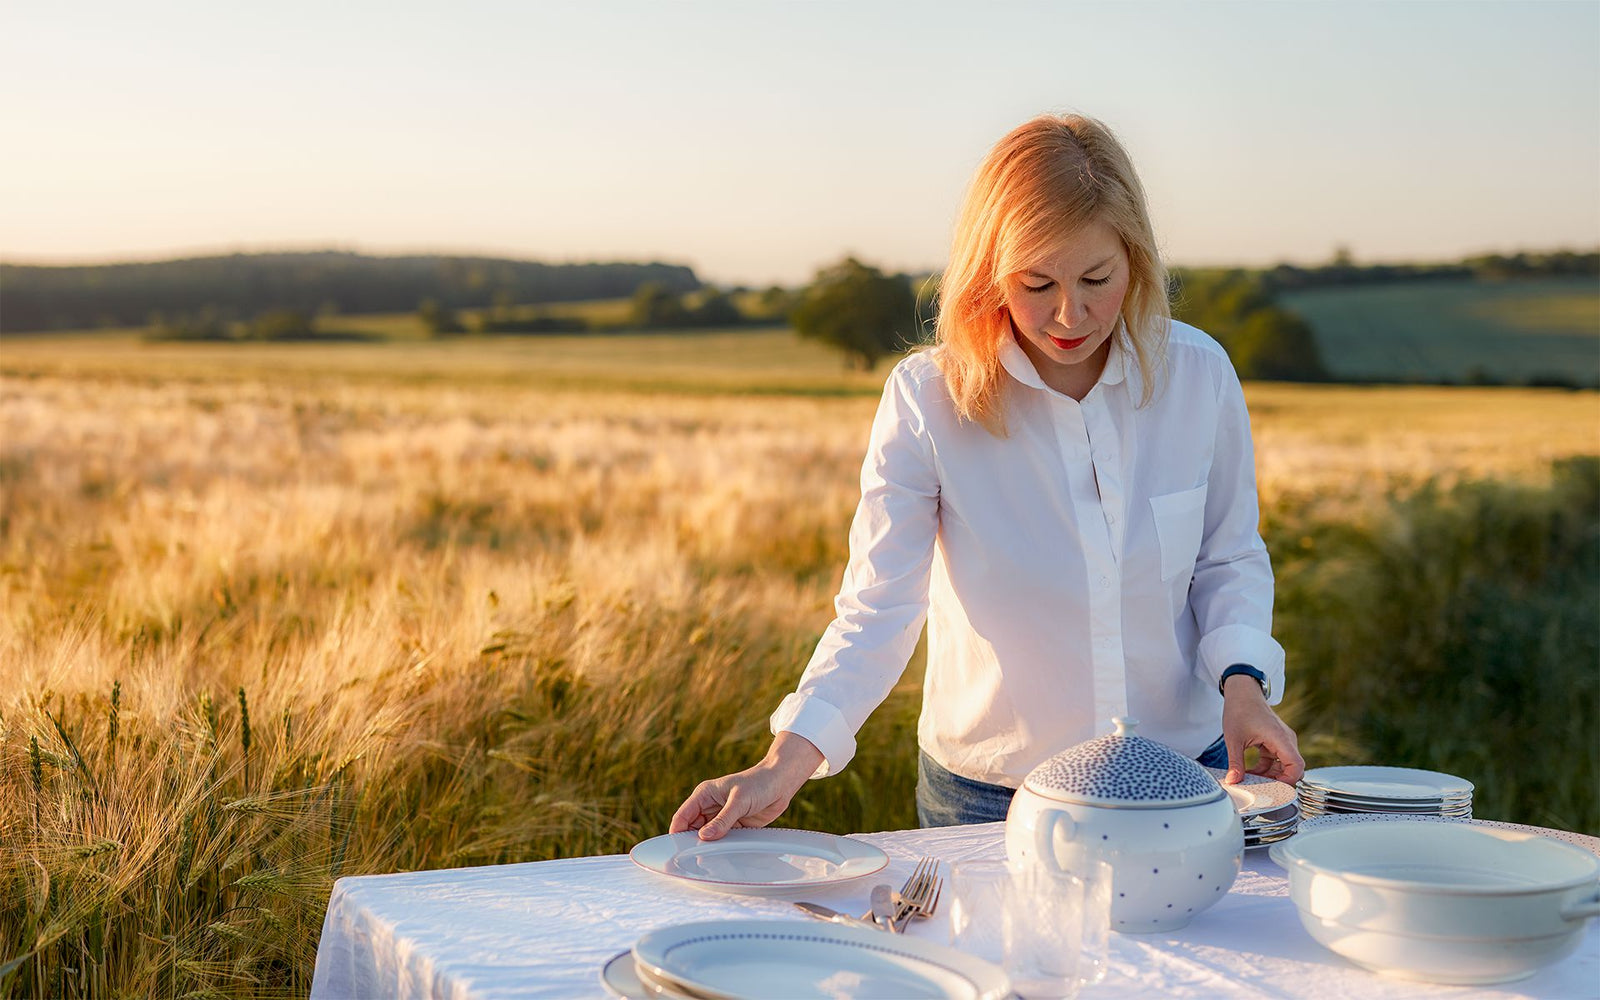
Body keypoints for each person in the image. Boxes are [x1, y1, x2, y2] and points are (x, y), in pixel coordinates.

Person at [671, 113, 1304, 841]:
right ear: (989, 272)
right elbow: (879, 607)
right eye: (1036, 283)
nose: (1071, 313)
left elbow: (1227, 558)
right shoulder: (926, 399)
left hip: (1183, 772)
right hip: (990, 796)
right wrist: (784, 761)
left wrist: (1245, 686)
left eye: (1097, 277)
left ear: (1136, 260)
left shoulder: (1198, 375)